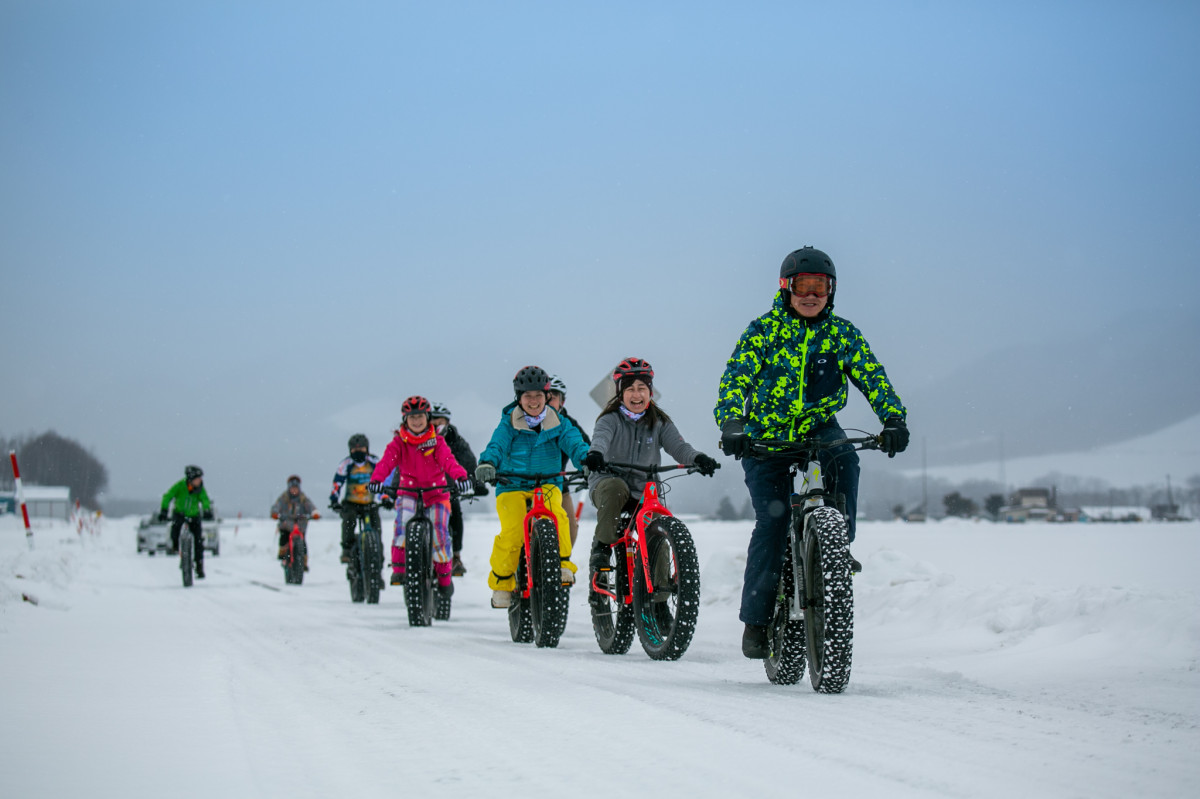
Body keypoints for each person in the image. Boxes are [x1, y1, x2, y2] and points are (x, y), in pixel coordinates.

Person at [715, 246, 909, 659]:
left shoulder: (842, 334)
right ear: (786, 288)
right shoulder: (763, 331)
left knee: (847, 460)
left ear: (831, 291)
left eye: (819, 287)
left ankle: (835, 549)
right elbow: (736, 378)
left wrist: (893, 419)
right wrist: (733, 424)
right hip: (765, 437)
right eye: (803, 286)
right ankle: (757, 619)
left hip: (820, 429)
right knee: (773, 521)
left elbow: (872, 376)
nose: (811, 295)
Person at [583, 358, 718, 594]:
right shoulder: (609, 419)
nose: (637, 395)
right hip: (607, 482)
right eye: (630, 389)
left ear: (650, 391)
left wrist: (697, 458)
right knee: (615, 488)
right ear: (620, 393)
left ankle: (661, 597)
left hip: (644, 489)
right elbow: (600, 440)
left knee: (656, 524)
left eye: (642, 388)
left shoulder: (660, 422)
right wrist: (595, 454)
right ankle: (602, 546)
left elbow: (679, 448)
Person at [475, 366, 590, 609]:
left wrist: (586, 459)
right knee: (513, 532)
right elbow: (497, 444)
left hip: (548, 483)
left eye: (538, 395)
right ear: (519, 397)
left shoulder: (559, 422)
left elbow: (575, 443)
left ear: (547, 396)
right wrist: (488, 462)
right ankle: (503, 582)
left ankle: (562, 565)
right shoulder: (508, 423)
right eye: (527, 396)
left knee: (559, 517)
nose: (534, 401)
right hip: (512, 485)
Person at [366, 396, 472, 594]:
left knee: (440, 534)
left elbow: (449, 461)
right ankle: (399, 569)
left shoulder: (437, 441)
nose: (416, 421)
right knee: (401, 526)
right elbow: (386, 463)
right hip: (408, 492)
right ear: (405, 420)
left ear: (427, 417)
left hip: (437, 493)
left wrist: (460, 476)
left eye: (420, 417)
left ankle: (443, 577)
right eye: (411, 417)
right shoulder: (399, 442)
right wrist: (376, 480)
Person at [429, 402, 486, 577]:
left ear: (448, 422)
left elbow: (469, 462)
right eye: (434, 421)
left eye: (441, 421)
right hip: (427, 490)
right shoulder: (421, 438)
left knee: (455, 513)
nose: (437, 424)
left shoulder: (456, 441)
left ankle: (455, 556)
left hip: (450, 489)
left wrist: (477, 483)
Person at [330, 433, 386, 587]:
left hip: (370, 503)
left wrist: (386, 498)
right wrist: (334, 500)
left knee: (377, 534)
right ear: (350, 450)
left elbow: (383, 479)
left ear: (367, 448)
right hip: (351, 503)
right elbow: (337, 483)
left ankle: (377, 571)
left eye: (361, 448)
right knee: (348, 520)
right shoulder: (346, 464)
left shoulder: (374, 462)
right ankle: (347, 550)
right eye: (355, 449)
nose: (358, 451)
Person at [546, 375, 591, 548]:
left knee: (570, 529)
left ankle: (563, 565)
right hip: (527, 484)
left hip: (558, 484)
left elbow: (584, 446)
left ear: (562, 402)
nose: (549, 401)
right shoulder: (528, 422)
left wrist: (589, 464)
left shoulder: (568, 424)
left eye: (554, 397)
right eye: (546, 396)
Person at [159, 465, 213, 579]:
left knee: (198, 542)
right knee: (175, 531)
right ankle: (176, 548)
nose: (200, 481)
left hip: (194, 516)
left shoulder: (200, 489)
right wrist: (164, 510)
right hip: (180, 514)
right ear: (191, 478)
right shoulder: (180, 486)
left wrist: (207, 510)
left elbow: (205, 499)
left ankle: (199, 566)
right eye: (198, 479)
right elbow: (167, 496)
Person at [271, 475, 319, 569]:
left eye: (296, 488)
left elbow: (310, 506)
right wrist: (275, 513)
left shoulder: (303, 498)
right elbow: (276, 506)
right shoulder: (284, 498)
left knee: (303, 542)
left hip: (300, 525)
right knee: (284, 537)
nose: (294, 491)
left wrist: (314, 513)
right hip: (286, 524)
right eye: (292, 488)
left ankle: (303, 561)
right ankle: (283, 552)